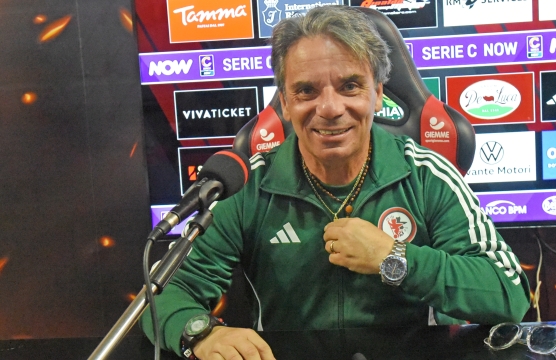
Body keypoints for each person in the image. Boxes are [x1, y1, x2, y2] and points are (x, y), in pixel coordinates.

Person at [140, 5, 530, 360]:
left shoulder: (427, 174)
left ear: (377, 95)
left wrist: (394, 259)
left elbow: (508, 293)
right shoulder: (248, 186)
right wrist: (200, 334)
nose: (329, 108)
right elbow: (161, 296)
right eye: (307, 90)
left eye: (349, 86)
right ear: (286, 103)